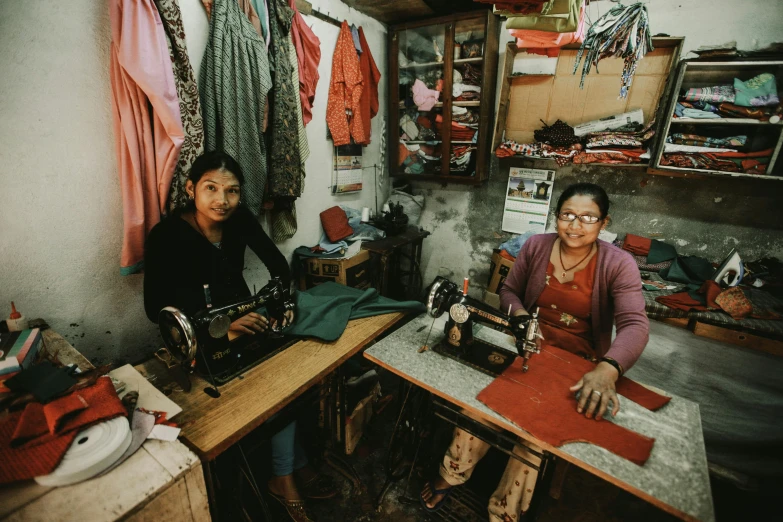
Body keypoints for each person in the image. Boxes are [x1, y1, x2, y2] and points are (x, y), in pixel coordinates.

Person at [421, 183, 649, 521]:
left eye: (588, 217)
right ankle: (452, 473)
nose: (575, 225)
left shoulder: (619, 263)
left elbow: (635, 324)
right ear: (557, 217)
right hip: (526, 348)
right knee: (480, 407)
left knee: (537, 437)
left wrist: (608, 369)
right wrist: (522, 317)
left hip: (578, 362)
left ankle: (504, 513)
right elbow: (509, 290)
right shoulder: (536, 245)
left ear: (604, 223)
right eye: (568, 215)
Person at [144, 151, 334, 522]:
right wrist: (221, 328)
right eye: (211, 188)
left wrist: (269, 303)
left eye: (232, 191)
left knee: (292, 378)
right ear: (190, 188)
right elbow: (157, 310)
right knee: (271, 391)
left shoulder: (240, 219)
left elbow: (278, 266)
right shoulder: (166, 235)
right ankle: (285, 476)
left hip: (243, 321)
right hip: (197, 340)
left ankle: (293, 465)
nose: (222, 200)